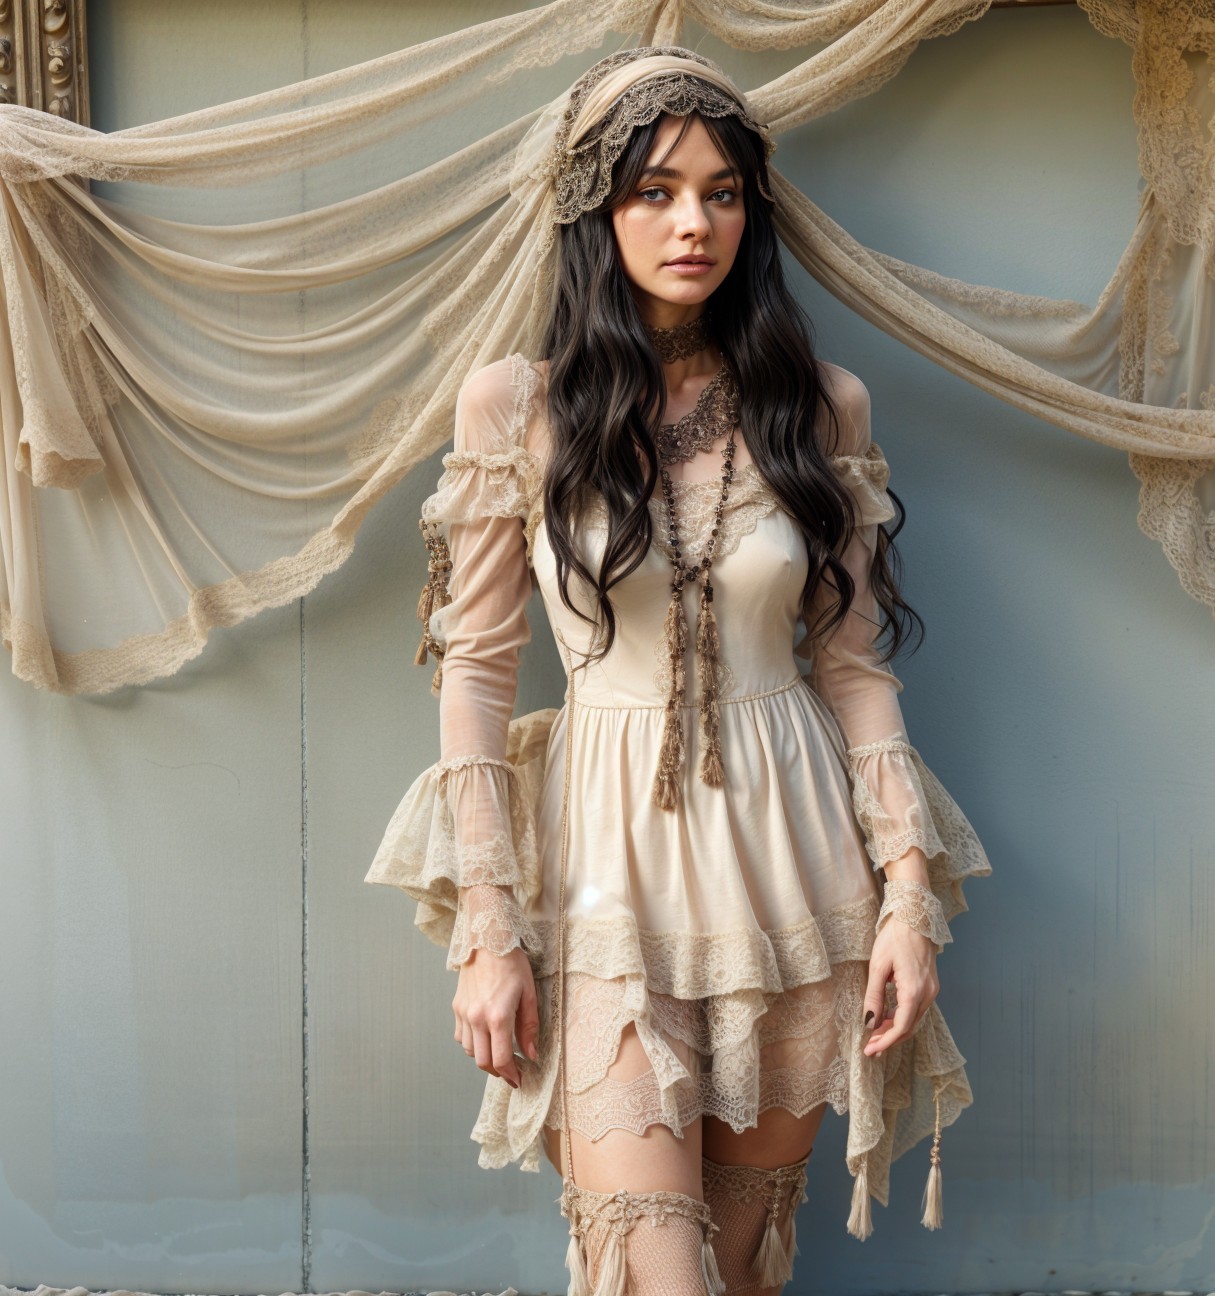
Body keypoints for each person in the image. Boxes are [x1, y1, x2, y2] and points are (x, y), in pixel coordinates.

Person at [366, 46, 992, 1296]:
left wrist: (909, 895)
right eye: (653, 190)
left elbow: (853, 665)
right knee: (657, 1274)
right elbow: (477, 677)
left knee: (749, 1265)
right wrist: (488, 930)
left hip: (796, 868)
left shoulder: (821, 409)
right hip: (604, 876)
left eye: (720, 191)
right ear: (597, 209)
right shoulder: (517, 406)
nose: (691, 222)